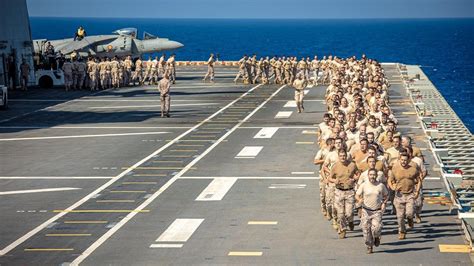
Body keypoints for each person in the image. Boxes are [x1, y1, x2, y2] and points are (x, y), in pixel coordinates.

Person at [388, 152, 422, 239]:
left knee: (409, 213)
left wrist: (417, 191)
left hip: (410, 194)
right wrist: (392, 187)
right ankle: (402, 231)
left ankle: (410, 219)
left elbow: (419, 180)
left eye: (405, 160)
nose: (403, 162)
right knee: (400, 217)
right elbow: (390, 180)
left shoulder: (413, 169)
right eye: (402, 160)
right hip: (399, 195)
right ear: (400, 159)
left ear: (409, 160)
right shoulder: (395, 168)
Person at [356, 168, 389, 254]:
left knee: (377, 228)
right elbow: (357, 195)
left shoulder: (380, 185)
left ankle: (377, 237)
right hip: (366, 211)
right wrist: (359, 200)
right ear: (368, 175)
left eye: (374, 175)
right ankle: (369, 246)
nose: (372, 176)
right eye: (370, 175)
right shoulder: (364, 185)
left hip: (377, 211)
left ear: (376, 175)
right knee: (366, 230)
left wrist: (384, 203)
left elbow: (386, 195)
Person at [329, 150, 359, 238]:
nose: (342, 157)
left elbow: (358, 174)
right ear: (338, 156)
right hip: (339, 191)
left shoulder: (352, 165)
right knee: (340, 214)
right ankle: (342, 229)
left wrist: (354, 179)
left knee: (349, 213)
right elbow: (330, 178)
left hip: (349, 192)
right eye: (341, 156)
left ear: (346, 156)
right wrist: (335, 181)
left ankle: (350, 221)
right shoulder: (335, 166)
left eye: (344, 156)